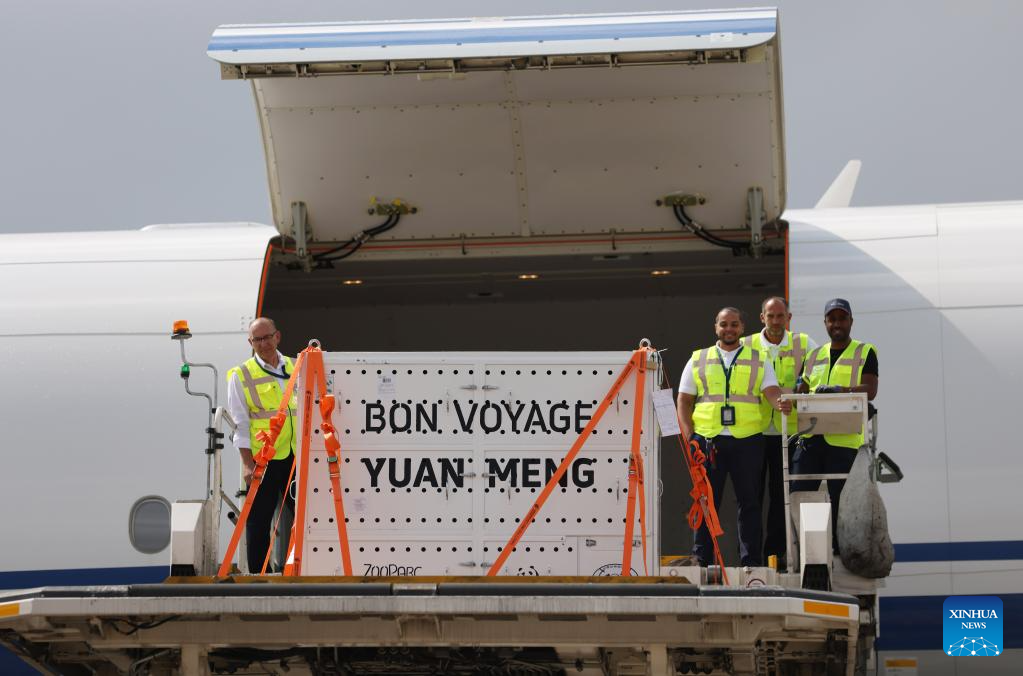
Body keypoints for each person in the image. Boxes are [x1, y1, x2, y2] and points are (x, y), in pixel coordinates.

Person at [677, 307, 790, 567]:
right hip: (707, 441)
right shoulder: (699, 358)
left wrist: (780, 402)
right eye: (724, 324)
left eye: (734, 325)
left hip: (747, 440)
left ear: (742, 328)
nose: (729, 329)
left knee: (749, 504)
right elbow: (684, 400)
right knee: (706, 502)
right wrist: (689, 436)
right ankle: (701, 558)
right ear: (716, 327)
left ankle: (750, 562)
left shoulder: (758, 358)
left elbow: (771, 390)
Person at [794, 298, 878, 551]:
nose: (837, 324)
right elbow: (802, 389)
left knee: (842, 499)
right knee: (799, 492)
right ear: (825, 323)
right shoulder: (813, 355)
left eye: (842, 319)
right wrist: (798, 393)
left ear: (851, 321)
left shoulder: (865, 351)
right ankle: (804, 549)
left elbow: (870, 391)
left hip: (843, 439)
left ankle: (842, 551)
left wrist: (841, 390)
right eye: (832, 319)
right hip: (811, 437)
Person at [742, 297, 816, 567]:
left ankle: (773, 557)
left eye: (780, 316)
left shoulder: (805, 344)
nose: (775, 321)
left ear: (789, 317)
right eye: (770, 316)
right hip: (752, 433)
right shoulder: (745, 345)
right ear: (762, 317)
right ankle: (750, 560)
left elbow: (819, 374)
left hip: (790, 433)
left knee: (781, 499)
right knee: (751, 498)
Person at [226, 317, 297, 573]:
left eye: (268, 337)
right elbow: (240, 425)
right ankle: (260, 575)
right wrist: (247, 463)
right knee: (259, 521)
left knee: (306, 516)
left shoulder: (296, 366)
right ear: (250, 343)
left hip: (296, 457)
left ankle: (302, 569)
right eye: (258, 339)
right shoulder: (241, 375)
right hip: (263, 458)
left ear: (277, 336)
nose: (264, 343)